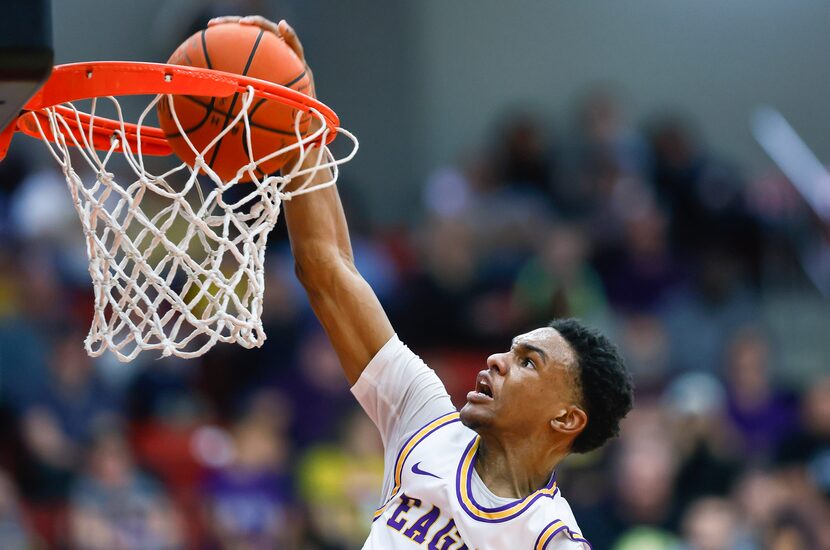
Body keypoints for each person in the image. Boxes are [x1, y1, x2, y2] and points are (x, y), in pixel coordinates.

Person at [210, 15, 634, 549]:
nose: (499, 360)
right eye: (512, 349)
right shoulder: (426, 416)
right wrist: (300, 118)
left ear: (566, 418)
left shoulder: (548, 539)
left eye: (529, 363)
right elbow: (327, 273)